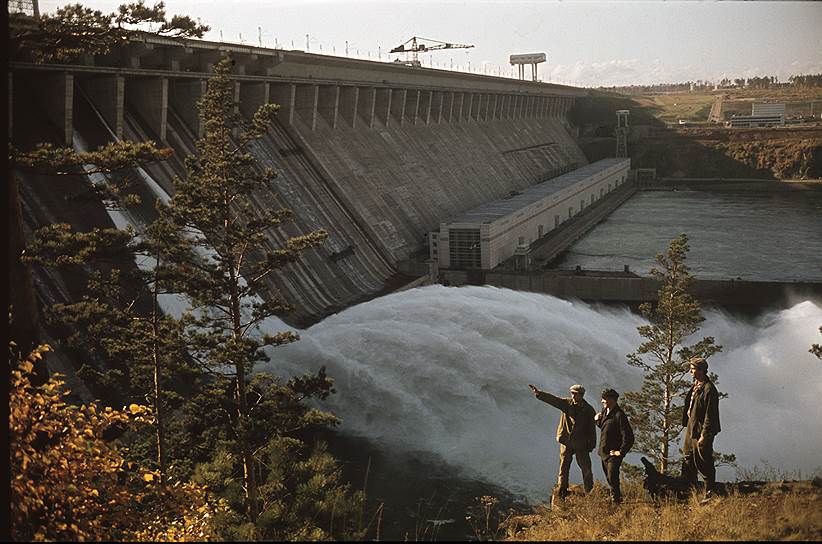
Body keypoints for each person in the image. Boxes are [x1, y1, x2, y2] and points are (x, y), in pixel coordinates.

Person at [528, 383, 597, 501]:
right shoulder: (566, 403)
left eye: (576, 394)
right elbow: (554, 400)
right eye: (572, 394)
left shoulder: (589, 410)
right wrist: (539, 394)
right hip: (566, 441)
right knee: (563, 468)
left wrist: (591, 445)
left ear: (582, 395)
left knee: (586, 469)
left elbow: (592, 429)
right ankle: (561, 492)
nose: (573, 396)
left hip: (581, 444)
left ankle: (589, 493)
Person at [681, 356, 721, 500]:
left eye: (692, 369)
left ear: (701, 370)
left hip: (702, 432)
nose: (690, 372)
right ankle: (688, 493)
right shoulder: (696, 386)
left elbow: (710, 415)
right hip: (692, 429)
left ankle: (710, 492)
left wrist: (704, 435)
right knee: (688, 460)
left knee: (704, 462)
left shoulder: (709, 389)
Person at [595, 388, 634, 504]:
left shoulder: (619, 415)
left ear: (612, 400)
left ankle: (616, 502)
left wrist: (621, 452)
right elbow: (605, 427)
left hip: (613, 454)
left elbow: (629, 437)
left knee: (612, 477)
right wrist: (597, 420)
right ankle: (616, 500)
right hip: (604, 452)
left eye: (604, 399)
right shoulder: (605, 412)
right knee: (609, 477)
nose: (602, 401)